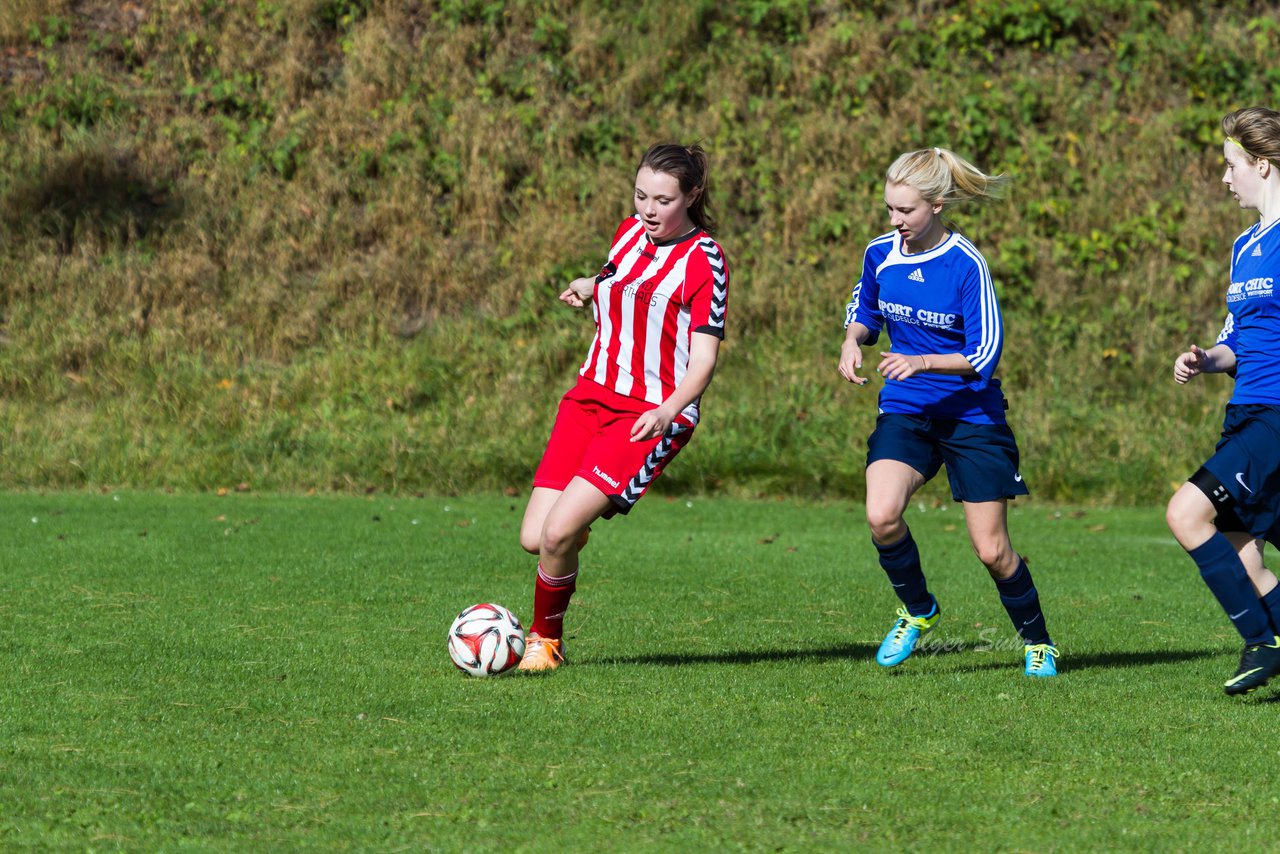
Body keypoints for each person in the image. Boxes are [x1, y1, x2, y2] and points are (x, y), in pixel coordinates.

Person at [837, 147, 1059, 677]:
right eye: (890, 209)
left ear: (936, 205)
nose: (895, 221)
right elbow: (863, 310)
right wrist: (853, 341)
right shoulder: (880, 253)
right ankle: (918, 610)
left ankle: (1038, 642)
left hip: (971, 418)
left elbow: (985, 351)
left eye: (905, 211)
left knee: (992, 550)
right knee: (881, 514)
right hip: (906, 410)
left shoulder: (967, 264)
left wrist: (922, 361)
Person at [515, 143, 729, 672]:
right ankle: (572, 527)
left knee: (558, 534)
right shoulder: (629, 232)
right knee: (533, 539)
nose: (648, 210)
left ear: (692, 195)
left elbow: (703, 360)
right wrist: (591, 287)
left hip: (646, 416)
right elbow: (622, 279)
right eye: (640, 196)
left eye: (662, 200)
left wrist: (670, 409)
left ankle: (546, 643)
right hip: (588, 397)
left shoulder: (706, 260)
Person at [1166, 106, 1280, 696]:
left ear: (1262, 164)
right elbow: (1237, 337)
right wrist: (1206, 358)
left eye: (1231, 165)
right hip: (1245, 410)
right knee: (1243, 553)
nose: (1224, 178)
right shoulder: (1244, 246)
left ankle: (1262, 644)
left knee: (1186, 513)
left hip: (1277, 415)